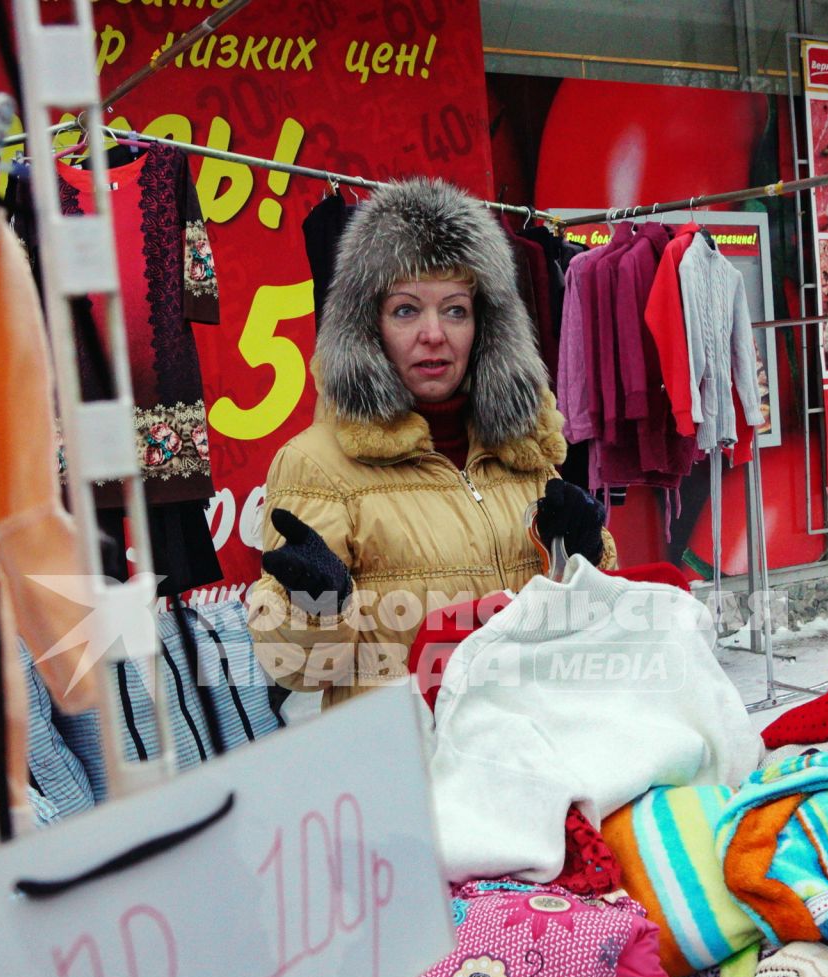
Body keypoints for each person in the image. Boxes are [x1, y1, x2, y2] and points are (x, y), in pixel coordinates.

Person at [248, 178, 614, 708]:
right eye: (405, 310)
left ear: (485, 326)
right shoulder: (316, 464)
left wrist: (585, 558)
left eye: (455, 309)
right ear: (366, 328)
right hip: (409, 763)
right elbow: (297, 669)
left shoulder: (524, 446)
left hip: (533, 744)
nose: (434, 333)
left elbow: (587, 618)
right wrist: (315, 608)